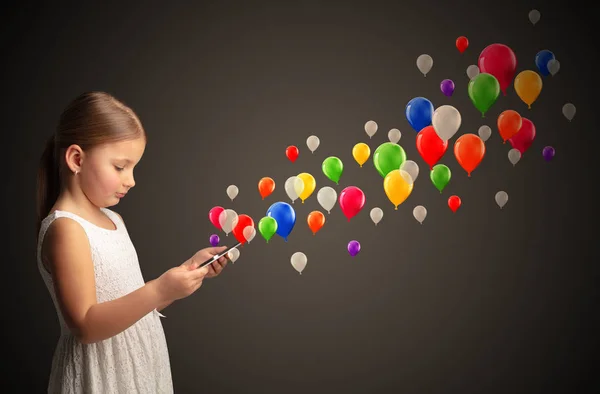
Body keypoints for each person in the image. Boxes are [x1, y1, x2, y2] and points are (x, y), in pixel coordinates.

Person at [36, 91, 230, 393]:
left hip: (140, 367)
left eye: (134, 168)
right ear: (76, 159)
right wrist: (160, 288)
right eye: (120, 167)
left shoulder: (115, 221)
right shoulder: (67, 229)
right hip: (101, 376)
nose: (132, 180)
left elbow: (133, 303)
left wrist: (183, 275)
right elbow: (86, 326)